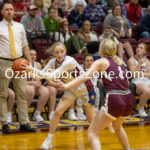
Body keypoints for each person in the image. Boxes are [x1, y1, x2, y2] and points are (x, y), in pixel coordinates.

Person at [57, 38, 134, 150]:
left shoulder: (100, 61)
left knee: (92, 133)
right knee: (117, 126)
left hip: (115, 98)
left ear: (101, 49)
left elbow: (85, 76)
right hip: (128, 98)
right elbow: (126, 82)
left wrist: (67, 86)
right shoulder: (120, 62)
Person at [23, 42, 96, 149]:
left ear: (65, 52)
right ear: (53, 53)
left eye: (62, 52)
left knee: (91, 120)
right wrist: (27, 71)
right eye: (57, 52)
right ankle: (49, 140)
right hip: (72, 89)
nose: (60, 54)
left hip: (86, 89)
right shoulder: (53, 62)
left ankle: (95, 138)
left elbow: (51, 76)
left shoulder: (69, 61)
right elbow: (40, 77)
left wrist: (32, 69)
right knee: (57, 112)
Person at [0, 2, 36, 134]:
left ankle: (24, 122)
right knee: (3, 94)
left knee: (22, 93)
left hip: (19, 62)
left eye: (11, 9)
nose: (10, 12)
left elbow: (25, 45)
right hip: (3, 62)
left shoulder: (20, 26)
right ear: (2, 12)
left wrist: (29, 62)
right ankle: (4, 123)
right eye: (7, 9)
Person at [127, 43, 150, 117]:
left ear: (145, 51)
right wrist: (139, 64)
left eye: (141, 48)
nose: (138, 49)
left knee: (147, 88)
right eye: (137, 47)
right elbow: (133, 74)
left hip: (146, 80)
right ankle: (141, 109)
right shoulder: (131, 60)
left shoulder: (147, 61)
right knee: (147, 90)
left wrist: (141, 74)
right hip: (137, 82)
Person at [26, 49, 49, 122]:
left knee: (45, 91)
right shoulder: (22, 63)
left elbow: (39, 78)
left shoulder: (38, 65)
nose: (33, 56)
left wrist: (38, 82)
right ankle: (24, 114)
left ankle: (37, 114)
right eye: (31, 54)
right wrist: (32, 83)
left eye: (34, 55)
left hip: (33, 86)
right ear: (27, 56)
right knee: (30, 90)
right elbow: (20, 82)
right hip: (24, 86)